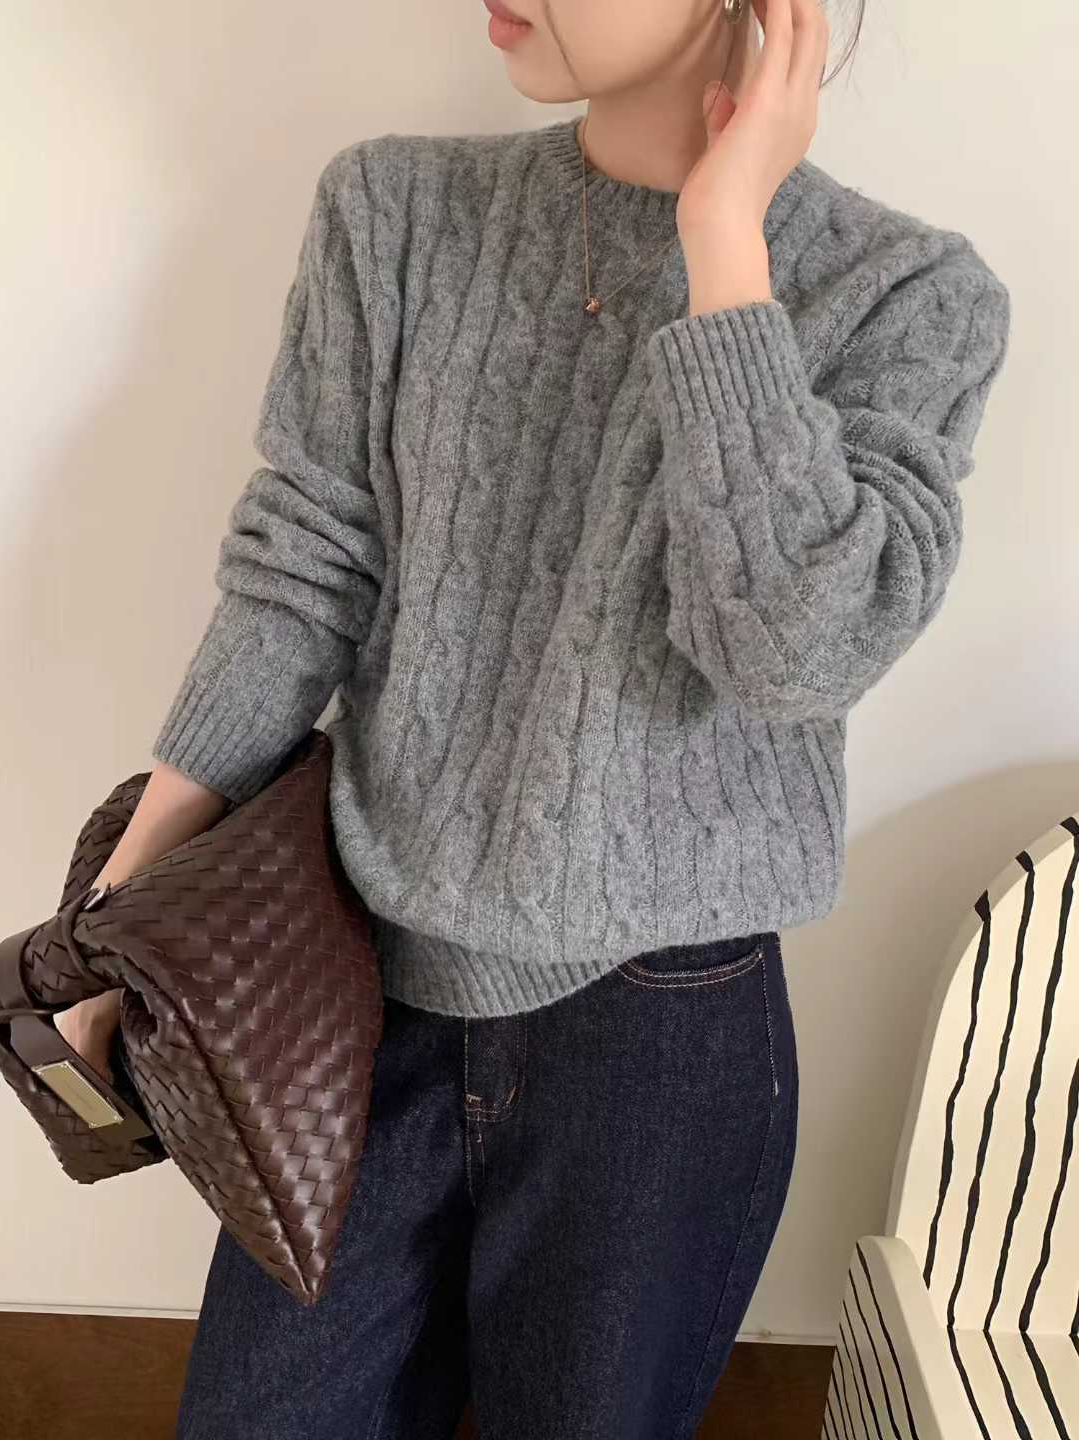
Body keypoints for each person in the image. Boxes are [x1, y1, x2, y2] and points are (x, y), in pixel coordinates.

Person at [54, 0, 1012, 1434]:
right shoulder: (394, 210)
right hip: (350, 1003)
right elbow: (301, 575)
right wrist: (116, 917)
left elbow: (793, 652)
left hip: (660, 1045)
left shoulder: (911, 294)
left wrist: (725, 255)